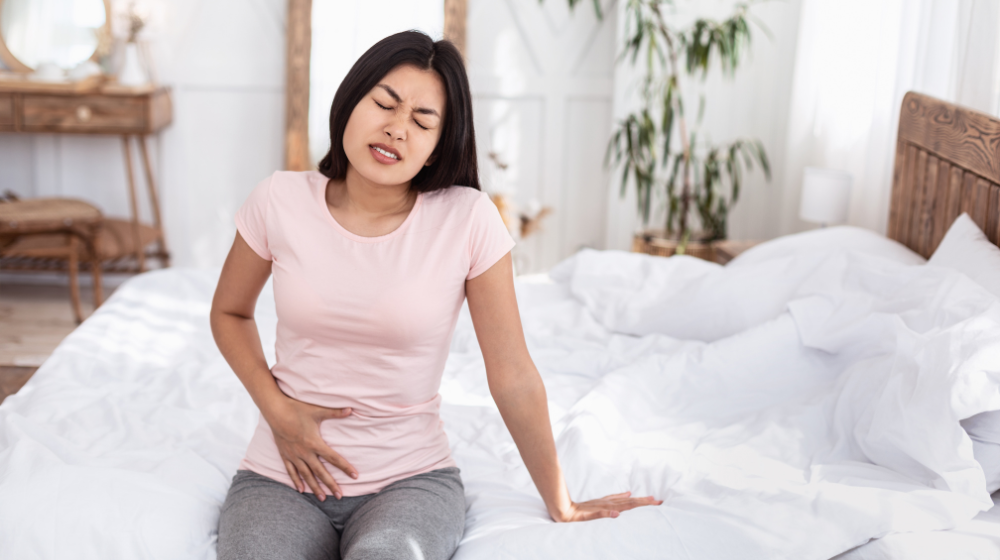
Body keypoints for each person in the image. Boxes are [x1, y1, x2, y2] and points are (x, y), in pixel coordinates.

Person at [210, 30, 661, 560]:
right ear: (351, 102)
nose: (396, 129)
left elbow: (512, 373)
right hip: (279, 475)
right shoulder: (278, 200)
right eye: (384, 103)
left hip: (409, 481)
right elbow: (229, 311)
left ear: (437, 147)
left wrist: (560, 501)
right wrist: (278, 412)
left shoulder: (467, 218)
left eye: (423, 121)